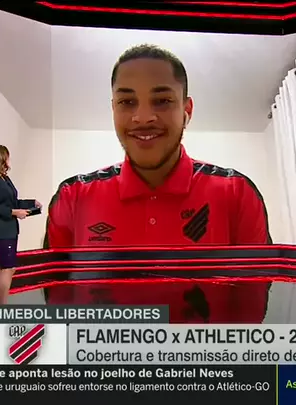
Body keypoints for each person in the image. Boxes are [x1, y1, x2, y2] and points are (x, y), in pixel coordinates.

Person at [42, 44, 272, 323]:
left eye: (162, 100)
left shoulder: (236, 193)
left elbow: (249, 315)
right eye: (127, 102)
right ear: (113, 109)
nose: (143, 117)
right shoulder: (72, 197)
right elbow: (61, 312)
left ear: (187, 110)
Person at [0, 145, 41, 305]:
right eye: (7, 156)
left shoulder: (3, 178)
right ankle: (2, 307)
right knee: (9, 267)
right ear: (0, 158)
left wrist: (31, 203)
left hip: (8, 228)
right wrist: (14, 212)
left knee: (2, 265)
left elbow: (12, 202)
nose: (9, 160)